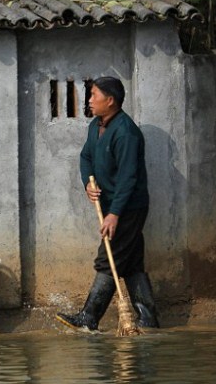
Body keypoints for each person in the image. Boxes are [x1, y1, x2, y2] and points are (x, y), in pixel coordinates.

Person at [55, 76, 159, 331]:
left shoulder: (126, 133)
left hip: (127, 208)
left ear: (110, 101)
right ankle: (148, 320)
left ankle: (89, 318)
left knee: (108, 257)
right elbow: (85, 157)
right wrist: (88, 183)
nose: (89, 100)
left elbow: (128, 178)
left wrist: (114, 214)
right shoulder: (96, 125)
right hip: (113, 206)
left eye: (94, 95)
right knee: (132, 263)